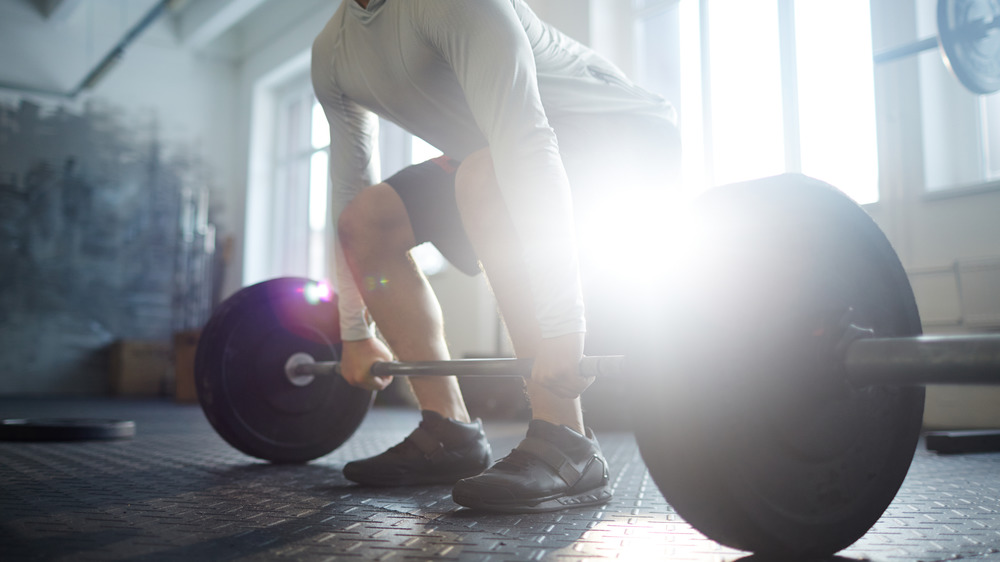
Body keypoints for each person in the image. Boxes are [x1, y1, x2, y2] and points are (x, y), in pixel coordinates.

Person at [311, 0, 679, 512]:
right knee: (366, 220)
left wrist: (561, 331)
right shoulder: (334, 52)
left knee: (484, 177)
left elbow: (526, 141)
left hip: (622, 132)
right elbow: (349, 187)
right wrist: (354, 332)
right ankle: (449, 434)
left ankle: (567, 443)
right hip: (496, 143)